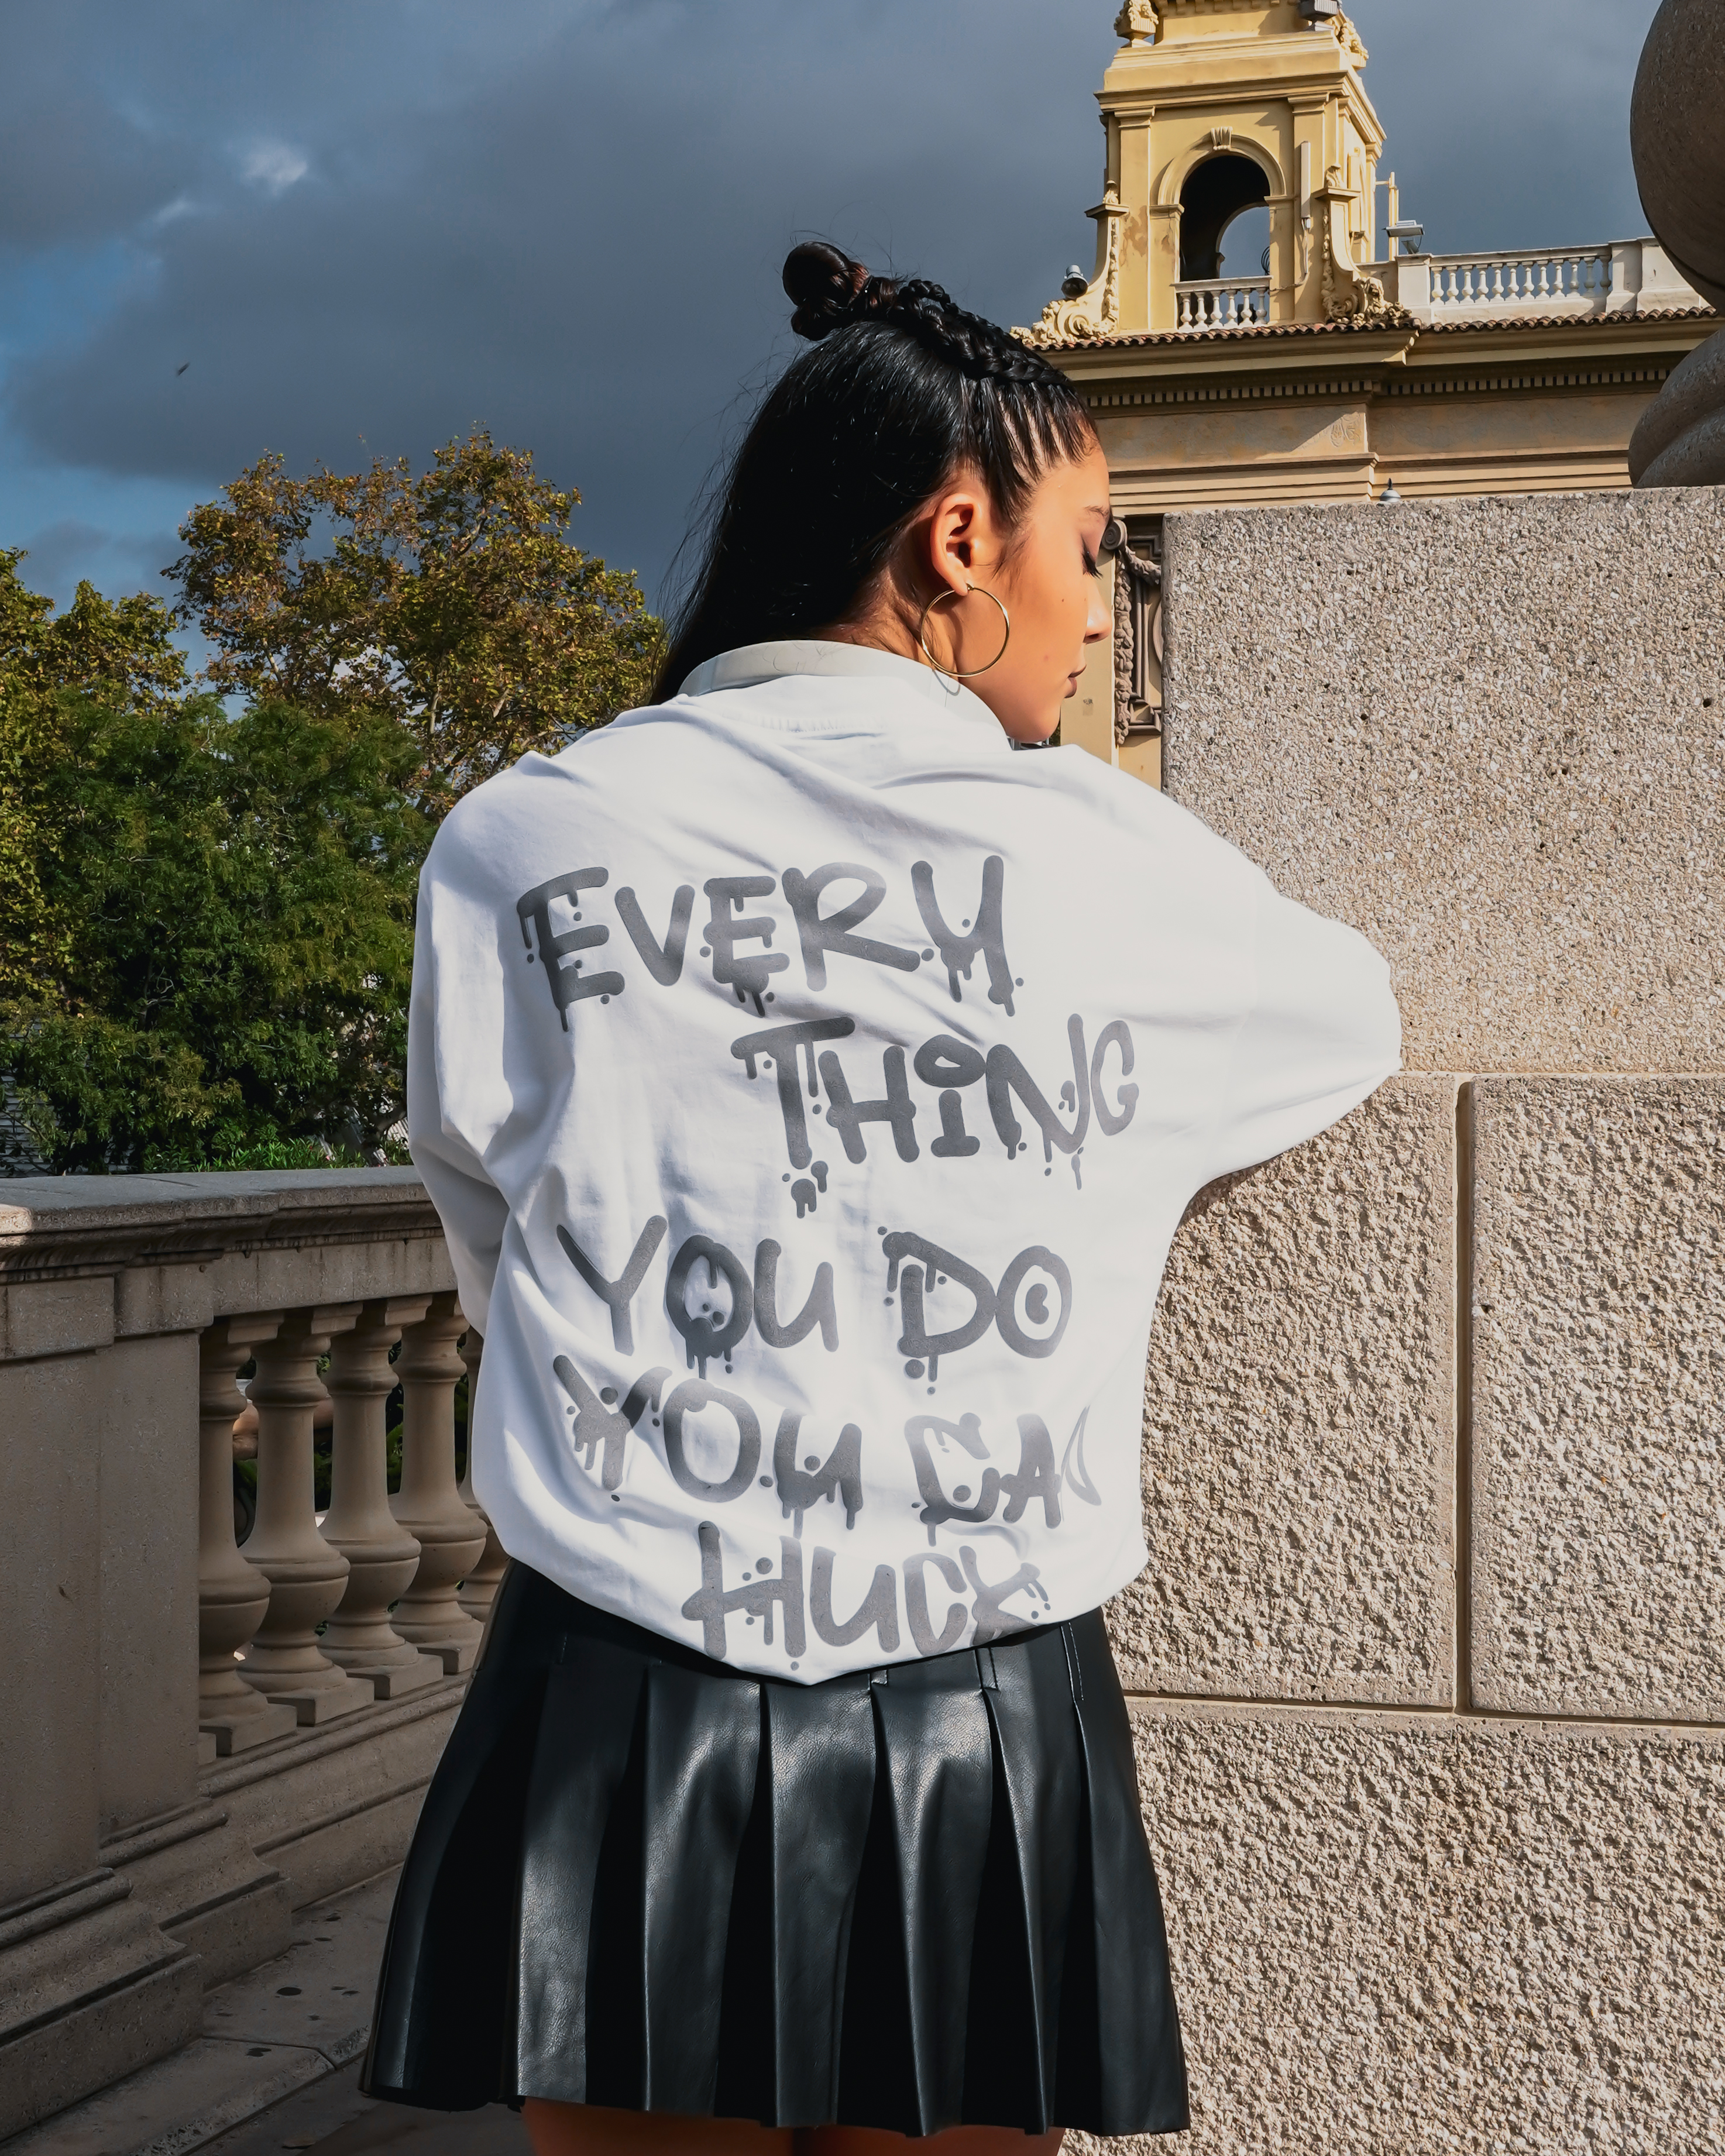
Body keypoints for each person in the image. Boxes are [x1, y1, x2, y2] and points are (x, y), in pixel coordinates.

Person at [362, 240, 1400, 2156]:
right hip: (981, 1693)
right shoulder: (1102, 864)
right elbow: (1347, 1018)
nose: (1097, 614)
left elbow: (492, 1227)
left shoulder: (525, 833)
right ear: (954, 538)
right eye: (1091, 547)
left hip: (621, 1661)